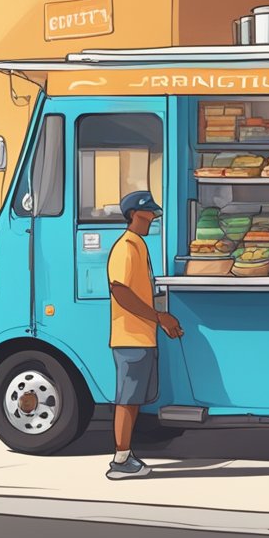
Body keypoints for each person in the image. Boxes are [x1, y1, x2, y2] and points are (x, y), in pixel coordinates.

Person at [106, 191, 183, 480]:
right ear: (134, 216)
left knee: (135, 399)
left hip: (142, 336)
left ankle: (124, 455)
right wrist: (159, 317)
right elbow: (122, 292)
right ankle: (120, 460)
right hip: (130, 336)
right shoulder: (126, 247)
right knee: (127, 399)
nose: (151, 218)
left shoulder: (138, 245)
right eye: (147, 214)